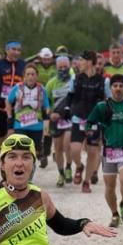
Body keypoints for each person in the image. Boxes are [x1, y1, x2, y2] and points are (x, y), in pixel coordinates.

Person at [88, 75, 123, 227]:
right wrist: (94, 131)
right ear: (111, 88)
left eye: (121, 86)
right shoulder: (102, 107)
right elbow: (89, 123)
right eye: (115, 86)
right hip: (108, 152)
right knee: (110, 186)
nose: (118, 89)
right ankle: (114, 215)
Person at [67, 50, 105, 193]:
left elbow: (106, 100)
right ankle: (79, 166)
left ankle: (87, 181)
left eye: (81, 60)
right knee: (75, 149)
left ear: (89, 62)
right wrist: (66, 109)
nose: (79, 63)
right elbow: (70, 96)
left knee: (93, 152)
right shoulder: (75, 78)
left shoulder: (103, 81)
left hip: (94, 121)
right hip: (78, 118)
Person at [45, 55, 75, 187]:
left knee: (67, 144)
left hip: (70, 118)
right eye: (60, 67)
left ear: (69, 67)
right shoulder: (51, 83)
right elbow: (46, 103)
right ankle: (61, 173)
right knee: (57, 148)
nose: (63, 69)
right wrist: (50, 114)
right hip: (56, 119)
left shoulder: (74, 81)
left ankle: (69, 167)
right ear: (56, 68)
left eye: (65, 67)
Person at [5, 64, 49, 152]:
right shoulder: (17, 88)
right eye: (28, 74)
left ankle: (34, 163)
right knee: (22, 150)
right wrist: (9, 116)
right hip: (20, 125)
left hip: (37, 126)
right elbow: (8, 101)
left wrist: (46, 122)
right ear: (24, 75)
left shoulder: (42, 89)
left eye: (33, 74)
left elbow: (47, 106)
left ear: (37, 76)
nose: (30, 77)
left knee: (35, 151)